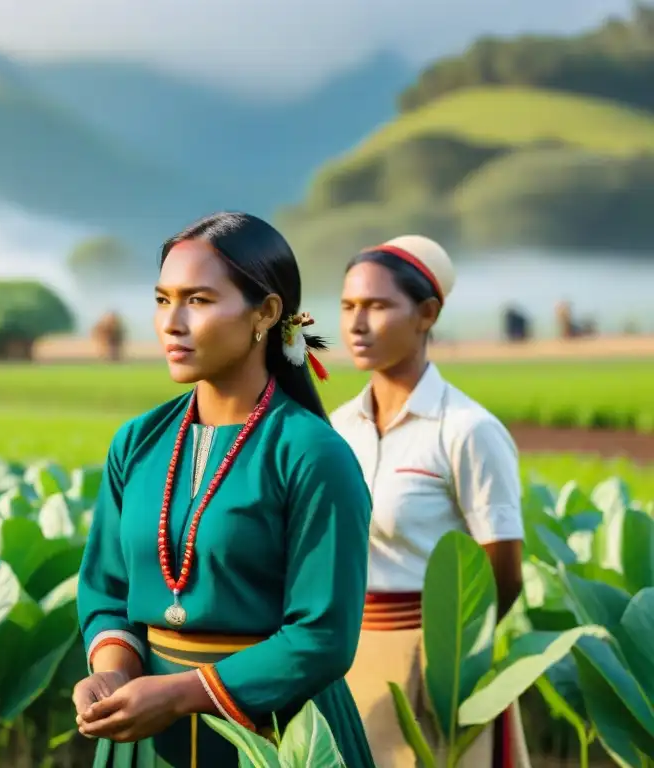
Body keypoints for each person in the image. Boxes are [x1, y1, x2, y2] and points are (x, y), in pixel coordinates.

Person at [73, 212, 375, 768]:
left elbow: (323, 636)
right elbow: (106, 591)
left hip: (279, 734)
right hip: (143, 729)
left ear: (266, 312)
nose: (171, 323)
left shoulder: (313, 454)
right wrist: (113, 669)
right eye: (163, 300)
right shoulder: (136, 443)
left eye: (199, 301)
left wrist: (180, 694)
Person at [331, 236, 529, 768]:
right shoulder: (337, 428)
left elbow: (503, 573)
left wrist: (451, 657)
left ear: (426, 314)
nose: (356, 324)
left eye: (376, 306)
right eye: (348, 306)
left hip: (437, 664)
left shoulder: (466, 430)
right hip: (348, 659)